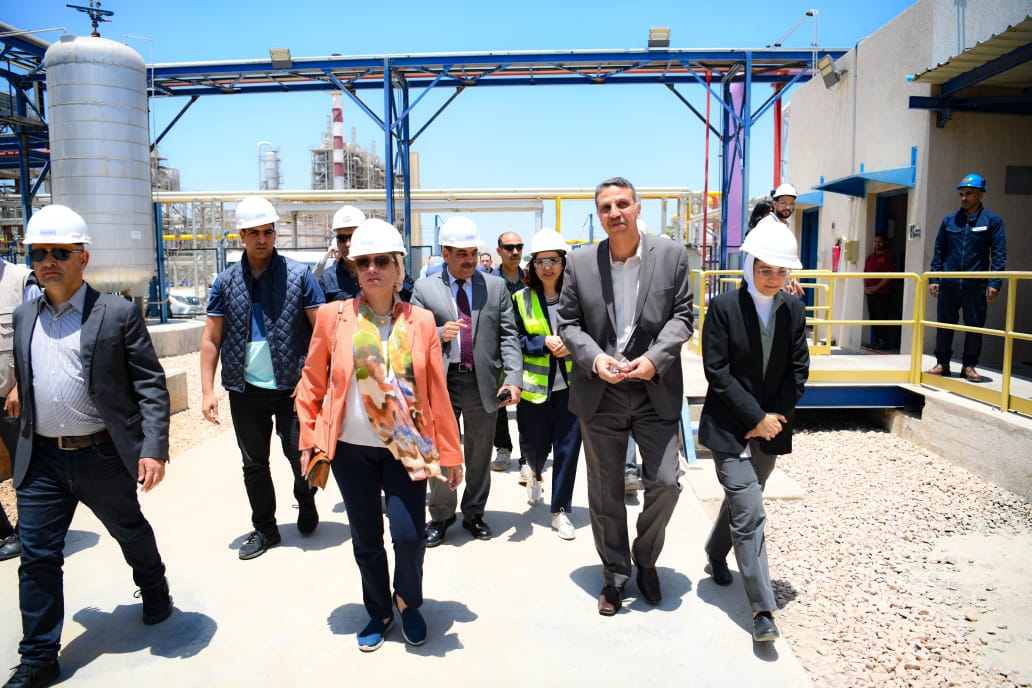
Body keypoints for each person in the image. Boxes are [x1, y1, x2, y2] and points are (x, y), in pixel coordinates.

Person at [5, 205, 173, 688]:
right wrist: (19, 389)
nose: (48, 261)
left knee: (130, 530)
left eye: (60, 252)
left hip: (101, 454)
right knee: (38, 556)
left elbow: (150, 385)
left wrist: (153, 447)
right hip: (42, 459)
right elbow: (31, 369)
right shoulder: (24, 316)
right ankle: (39, 656)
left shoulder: (117, 313)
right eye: (39, 252)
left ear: (83, 257)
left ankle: (153, 585)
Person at [296, 219, 462, 652]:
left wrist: (451, 452)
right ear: (354, 268)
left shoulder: (421, 321)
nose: (372, 268)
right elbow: (312, 382)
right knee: (366, 538)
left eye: (382, 260)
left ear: (398, 268)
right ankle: (379, 611)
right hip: (351, 449)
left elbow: (437, 392)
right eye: (364, 261)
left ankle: (407, 601)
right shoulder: (334, 317)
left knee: (409, 536)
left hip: (407, 444)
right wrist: (309, 440)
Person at [557, 177, 693, 616]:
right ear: (599, 215)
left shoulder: (670, 256)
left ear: (637, 208)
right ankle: (615, 573)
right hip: (602, 393)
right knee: (606, 491)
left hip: (654, 389)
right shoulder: (580, 263)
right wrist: (594, 359)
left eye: (621, 204)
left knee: (666, 482)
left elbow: (683, 316)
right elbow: (568, 323)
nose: (614, 213)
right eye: (605, 207)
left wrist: (655, 359)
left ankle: (646, 559)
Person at [698, 221, 810, 644]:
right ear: (749, 266)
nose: (773, 278)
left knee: (743, 502)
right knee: (751, 511)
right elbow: (717, 372)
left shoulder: (793, 310)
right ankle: (763, 609)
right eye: (765, 270)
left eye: (781, 271)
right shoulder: (723, 308)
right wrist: (754, 417)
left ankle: (715, 551)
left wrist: (772, 417)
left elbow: (798, 370)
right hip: (729, 427)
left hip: (773, 428)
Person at [200, 196, 325, 560]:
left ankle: (305, 500)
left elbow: (321, 334)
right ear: (241, 235)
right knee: (254, 464)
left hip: (292, 387)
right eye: (253, 232)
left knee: (300, 457)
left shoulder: (299, 276)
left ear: (274, 233)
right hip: (246, 390)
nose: (261, 239)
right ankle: (266, 529)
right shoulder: (225, 283)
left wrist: (315, 380)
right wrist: (207, 391)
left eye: (267, 232)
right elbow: (211, 339)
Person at [410, 216, 522, 546]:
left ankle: (474, 512)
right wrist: (437, 334)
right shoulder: (425, 290)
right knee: (441, 452)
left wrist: (513, 378)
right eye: (461, 254)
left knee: (479, 454)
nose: (469, 259)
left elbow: (508, 336)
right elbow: (411, 336)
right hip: (441, 383)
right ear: (445, 253)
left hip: (481, 382)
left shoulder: (495, 287)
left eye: (473, 252)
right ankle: (442, 515)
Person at [513, 229, 581, 540]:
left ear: (564, 262)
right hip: (534, 390)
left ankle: (560, 511)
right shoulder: (520, 299)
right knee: (533, 446)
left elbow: (593, 332)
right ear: (532, 266)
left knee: (567, 450)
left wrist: (572, 344)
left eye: (553, 260)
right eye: (540, 262)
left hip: (572, 389)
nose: (547, 267)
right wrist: (541, 342)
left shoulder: (578, 297)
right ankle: (534, 472)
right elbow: (513, 340)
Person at [927, 173, 1007, 381]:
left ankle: (969, 366)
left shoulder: (992, 221)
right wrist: (934, 278)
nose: (964, 198)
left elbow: (999, 253)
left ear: (980, 194)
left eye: (969, 193)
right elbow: (939, 251)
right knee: (945, 324)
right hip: (949, 283)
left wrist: (995, 282)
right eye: (961, 194)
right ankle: (942, 363)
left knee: (974, 326)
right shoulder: (949, 221)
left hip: (976, 284)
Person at [0, 254, 40, 563]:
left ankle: (28, 535)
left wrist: (21, 387)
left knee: (26, 469)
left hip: (11, 398)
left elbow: (40, 339)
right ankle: (3, 532)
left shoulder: (22, 281)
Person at [490, 231, 527, 476]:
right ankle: (503, 447)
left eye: (519, 247)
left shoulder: (531, 279)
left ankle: (527, 456)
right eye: (509, 247)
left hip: (528, 347)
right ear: (499, 250)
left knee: (528, 405)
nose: (515, 252)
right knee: (499, 401)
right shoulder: (490, 281)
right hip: (498, 347)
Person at [757, 184, 804, 298]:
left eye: (791, 204)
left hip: (777, 283)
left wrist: (791, 280)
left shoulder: (783, 225)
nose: (787, 207)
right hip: (766, 284)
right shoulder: (768, 224)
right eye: (783, 203)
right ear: (774, 204)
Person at [314, 205, 365, 302]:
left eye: (353, 237)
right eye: (342, 238)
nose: (347, 244)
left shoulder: (380, 272)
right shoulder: (327, 279)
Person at [863, 234, 897, 349]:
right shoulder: (871, 257)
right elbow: (865, 274)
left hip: (883, 293)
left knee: (881, 317)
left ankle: (884, 342)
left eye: (880, 241)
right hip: (870, 293)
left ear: (885, 242)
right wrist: (866, 287)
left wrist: (876, 287)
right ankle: (876, 341)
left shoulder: (889, 257)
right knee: (873, 317)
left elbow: (889, 275)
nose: (877, 244)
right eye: (875, 241)